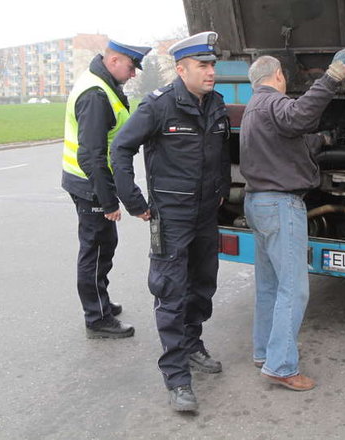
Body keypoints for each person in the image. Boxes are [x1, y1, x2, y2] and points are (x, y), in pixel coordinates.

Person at [111, 31, 231, 413]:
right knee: (171, 292)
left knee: (203, 286)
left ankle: (193, 345)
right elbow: (121, 148)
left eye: (212, 65)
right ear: (182, 70)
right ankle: (177, 378)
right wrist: (133, 200)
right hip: (172, 217)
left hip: (205, 216)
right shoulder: (158, 106)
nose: (211, 72)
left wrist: (223, 191)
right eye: (203, 66)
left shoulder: (216, 104)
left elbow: (220, 153)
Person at [239, 51, 345, 391]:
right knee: (294, 289)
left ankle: (264, 352)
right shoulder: (273, 102)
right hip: (280, 205)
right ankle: (281, 366)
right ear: (276, 76)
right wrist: (332, 76)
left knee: (269, 285)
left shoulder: (253, 109)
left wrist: (323, 139)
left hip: (257, 202)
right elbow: (301, 116)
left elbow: (289, 138)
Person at [62, 39, 152, 339]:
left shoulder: (105, 86)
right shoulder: (96, 95)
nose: (133, 74)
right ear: (114, 62)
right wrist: (109, 201)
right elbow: (91, 155)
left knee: (104, 246)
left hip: (92, 183)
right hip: (90, 186)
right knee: (96, 250)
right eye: (131, 67)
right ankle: (97, 318)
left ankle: (100, 303)